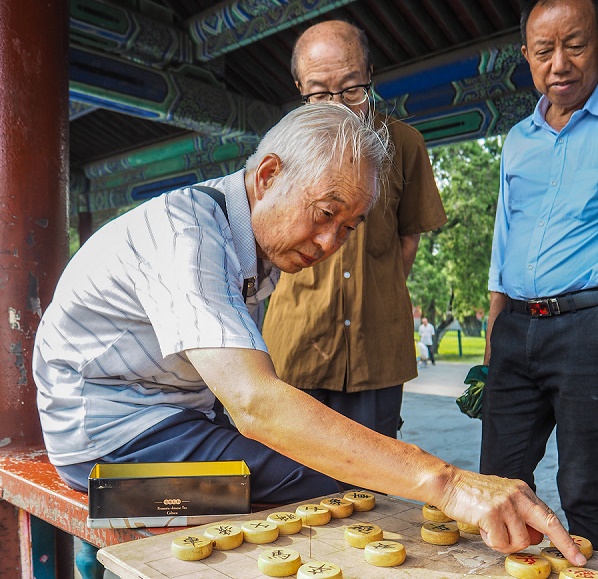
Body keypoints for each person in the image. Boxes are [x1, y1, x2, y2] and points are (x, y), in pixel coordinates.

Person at [33, 104, 584, 564]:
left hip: (169, 417)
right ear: (269, 175)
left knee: (351, 454)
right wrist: (449, 482)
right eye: (323, 214)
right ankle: (130, 510)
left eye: (347, 227)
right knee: (327, 477)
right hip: (107, 446)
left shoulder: (245, 237)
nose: (328, 243)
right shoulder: (188, 236)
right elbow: (256, 405)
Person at [262, 20, 447, 438]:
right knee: (293, 477)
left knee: (373, 480)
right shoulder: (278, 150)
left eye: (351, 90)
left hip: (376, 348)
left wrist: (374, 295)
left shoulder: (405, 144)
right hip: (297, 343)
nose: (339, 107)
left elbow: (408, 237)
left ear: (369, 75)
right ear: (298, 87)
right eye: (320, 94)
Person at [481, 0, 598, 546]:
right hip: (514, 329)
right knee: (497, 483)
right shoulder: (517, 141)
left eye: (574, 45)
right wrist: (494, 327)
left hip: (587, 326)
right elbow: (504, 233)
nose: (560, 64)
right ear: (526, 56)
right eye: (545, 51)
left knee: (586, 488)